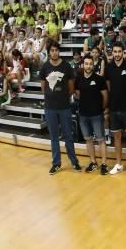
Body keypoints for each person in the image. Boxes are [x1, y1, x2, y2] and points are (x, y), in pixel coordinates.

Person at [39, 42, 80, 175]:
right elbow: (43, 86)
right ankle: (56, 163)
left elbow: (71, 87)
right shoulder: (45, 67)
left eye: (56, 50)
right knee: (54, 137)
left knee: (68, 136)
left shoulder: (66, 66)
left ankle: (74, 162)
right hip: (50, 107)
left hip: (64, 107)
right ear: (49, 52)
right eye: (52, 50)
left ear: (59, 51)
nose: (54, 53)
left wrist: (63, 97)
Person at [105, 42, 126, 177]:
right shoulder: (108, 68)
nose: (117, 54)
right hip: (114, 108)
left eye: (119, 51)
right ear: (112, 53)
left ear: (123, 52)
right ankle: (119, 164)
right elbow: (108, 87)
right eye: (115, 51)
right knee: (117, 137)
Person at [74, 55, 109, 174]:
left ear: (93, 65)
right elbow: (78, 94)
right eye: (86, 64)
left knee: (101, 140)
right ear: (83, 65)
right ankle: (93, 162)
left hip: (97, 115)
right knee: (88, 139)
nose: (88, 66)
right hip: (83, 115)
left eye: (90, 64)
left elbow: (105, 97)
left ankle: (104, 164)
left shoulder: (99, 79)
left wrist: (101, 108)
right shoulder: (78, 79)